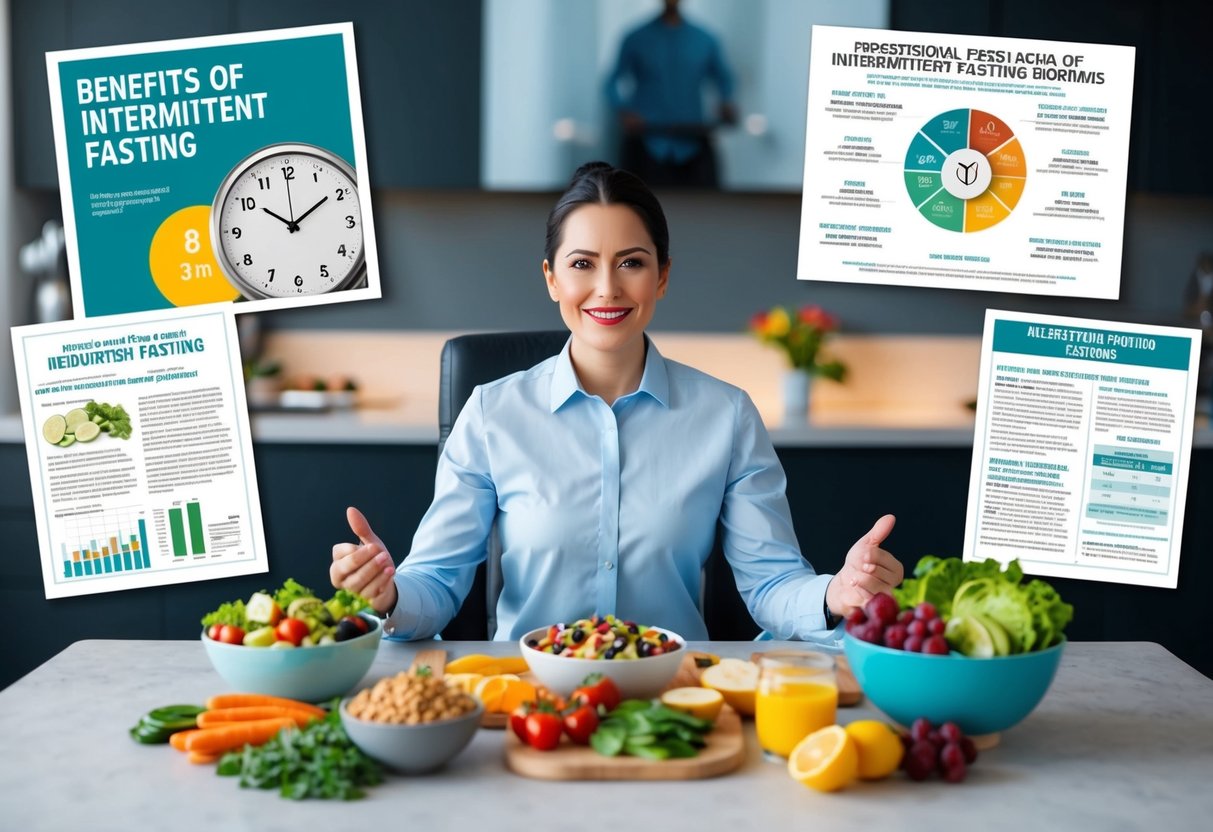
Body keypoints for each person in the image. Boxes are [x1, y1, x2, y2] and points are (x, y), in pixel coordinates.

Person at [330, 162, 904, 642]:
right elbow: (435, 583)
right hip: (532, 700)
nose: (607, 288)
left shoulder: (726, 416)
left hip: (673, 698)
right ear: (552, 278)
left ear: (662, 277)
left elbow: (772, 583)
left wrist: (836, 593)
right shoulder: (491, 414)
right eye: (582, 264)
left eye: (631, 262)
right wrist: (390, 593)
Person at [605, 0, 737, 189]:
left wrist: (726, 101)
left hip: (693, 141)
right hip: (647, 142)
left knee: (704, 208)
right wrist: (623, 111)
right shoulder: (636, 37)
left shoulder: (705, 39)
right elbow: (611, 82)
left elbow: (724, 79)